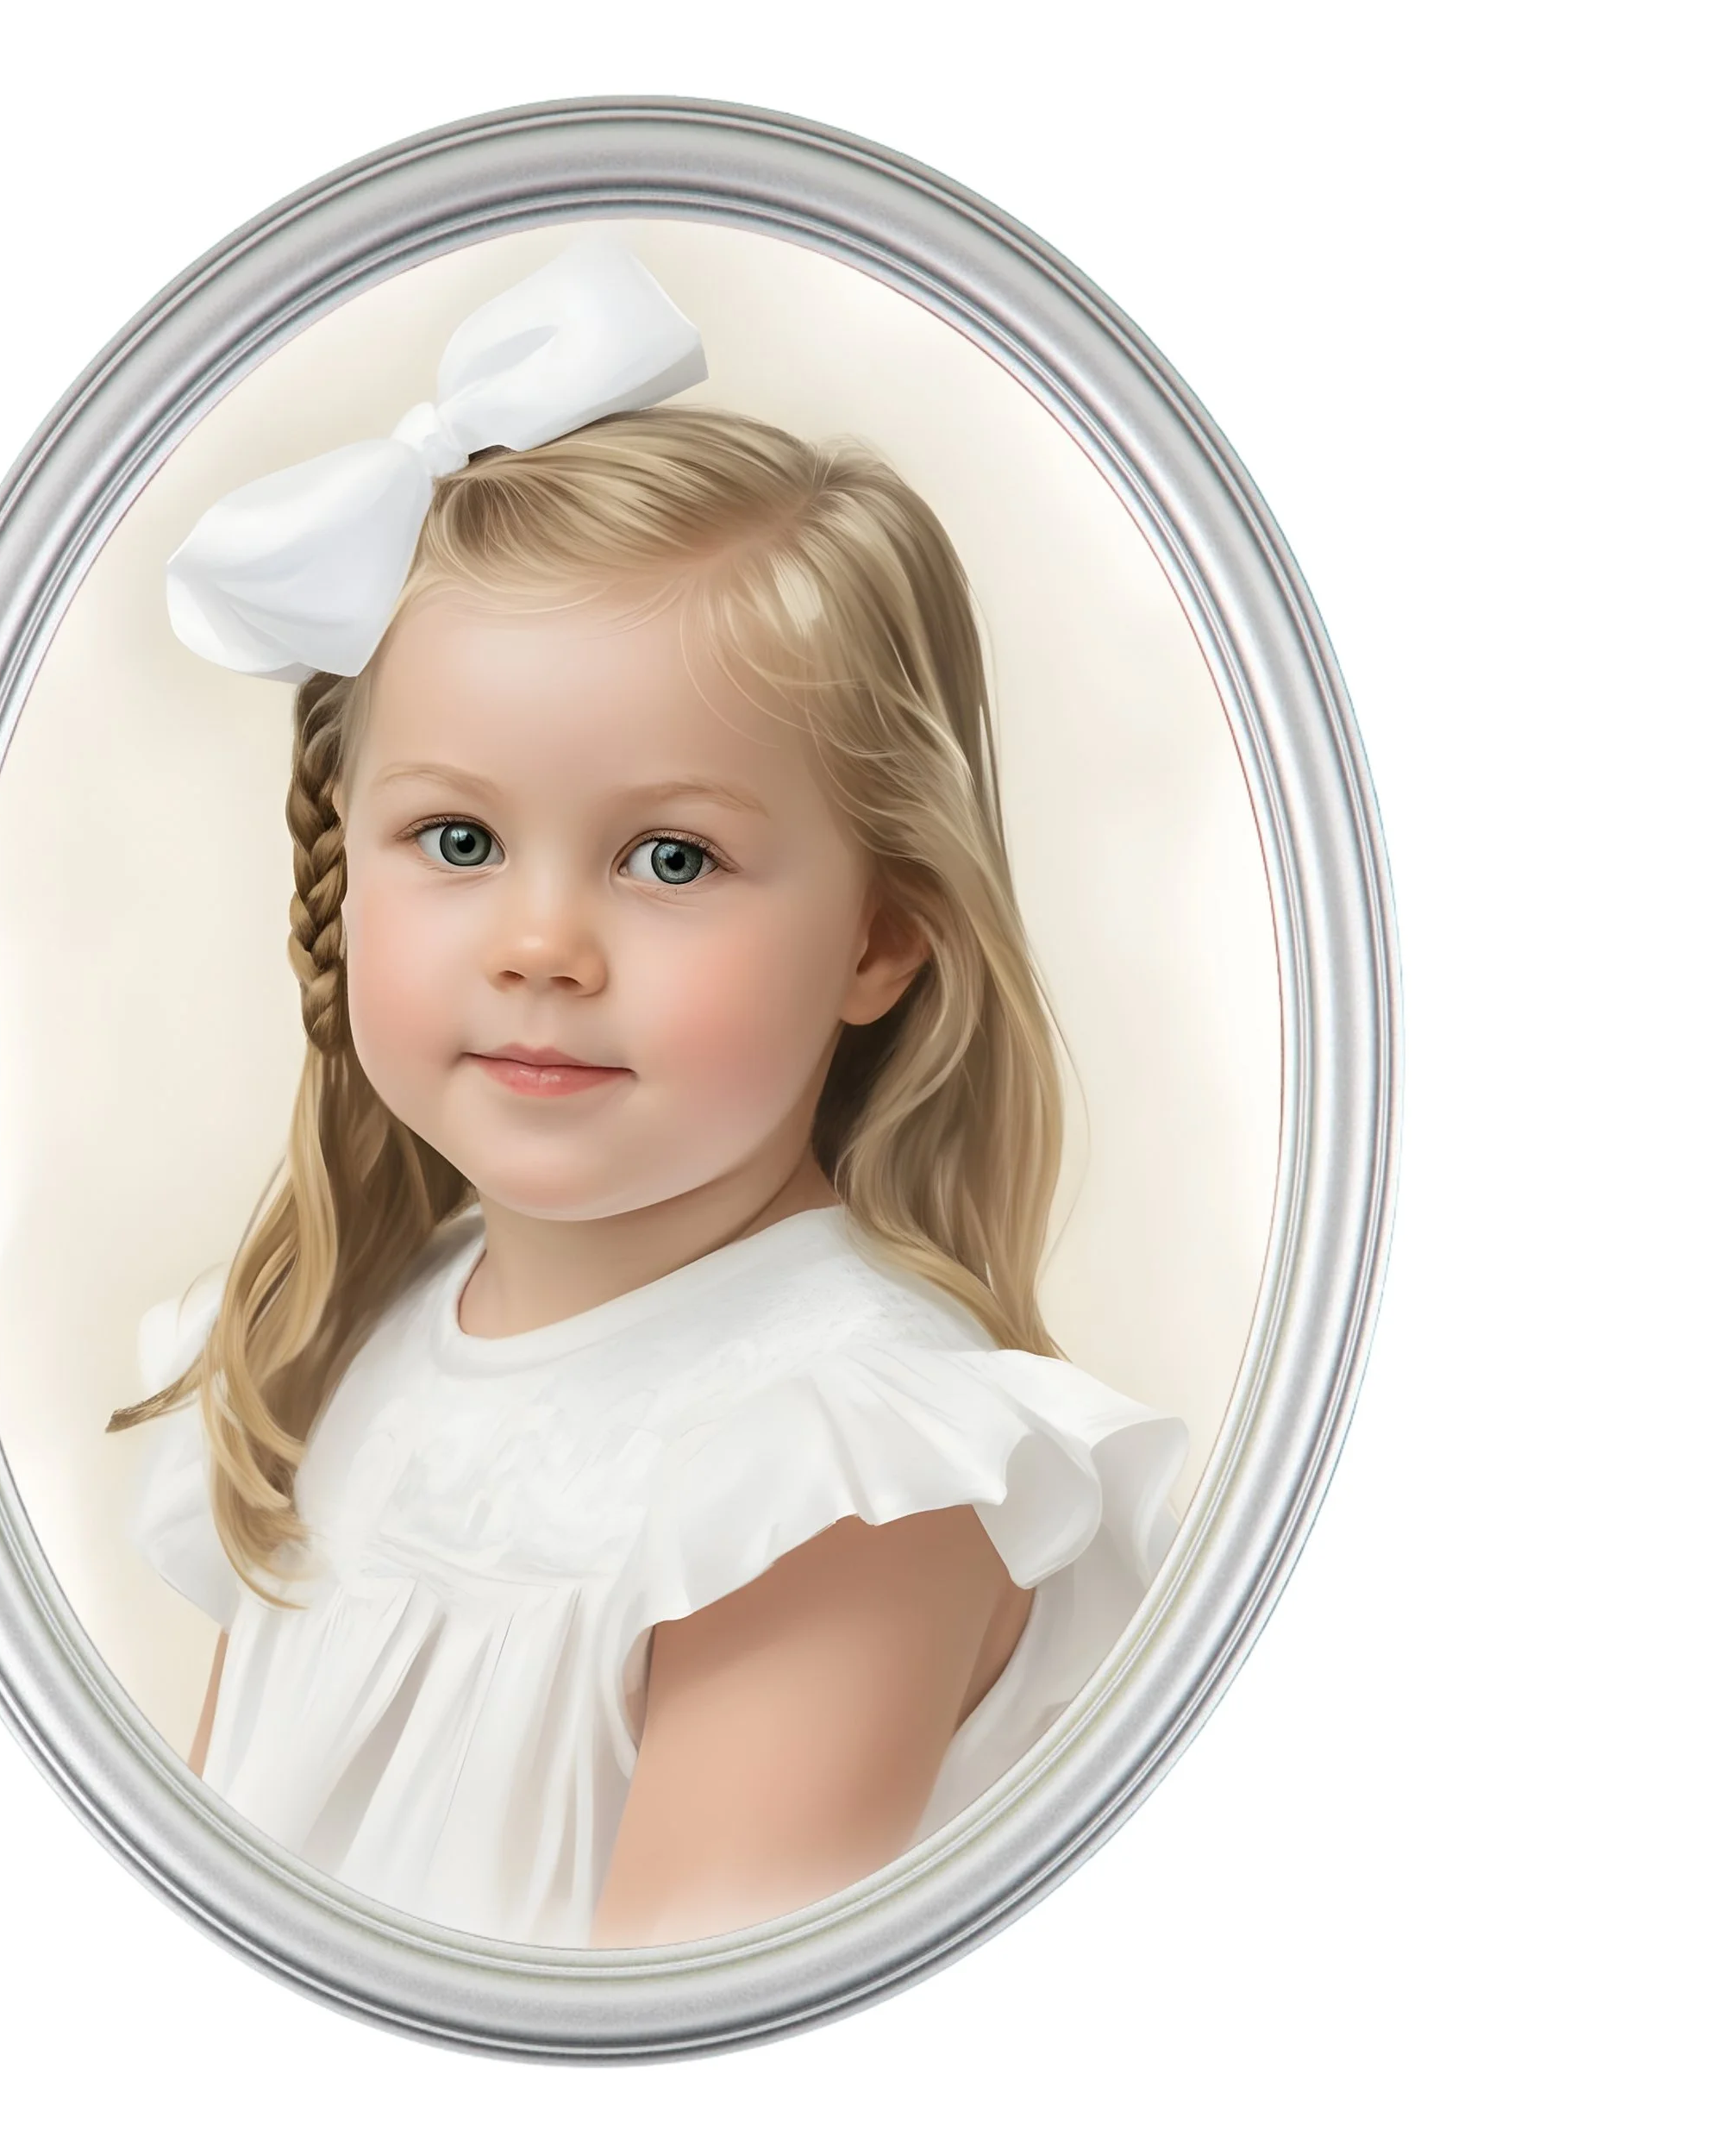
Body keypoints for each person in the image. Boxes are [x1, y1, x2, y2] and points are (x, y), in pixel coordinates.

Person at [110, 237, 1186, 1951]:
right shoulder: (329, 1343)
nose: (542, 942)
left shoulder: (835, 1467)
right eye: (455, 838)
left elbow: (676, 2053)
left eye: (668, 856)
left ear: (881, 934)